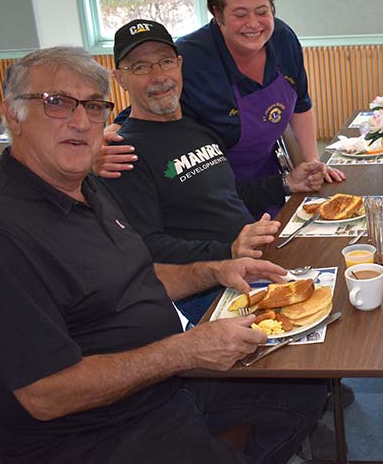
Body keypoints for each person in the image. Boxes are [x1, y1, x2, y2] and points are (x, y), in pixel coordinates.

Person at [0, 46, 327, 463]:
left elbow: (136, 273)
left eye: (93, 106)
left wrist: (216, 270)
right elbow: (46, 394)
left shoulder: (83, 187)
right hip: (93, 432)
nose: (80, 121)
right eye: (57, 103)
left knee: (306, 384)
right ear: (12, 113)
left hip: (161, 382)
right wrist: (186, 349)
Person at [104, 19, 324, 324]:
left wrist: (286, 182)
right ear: (120, 79)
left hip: (253, 260)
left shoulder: (198, 128)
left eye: (166, 62)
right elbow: (147, 245)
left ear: (180, 65)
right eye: (140, 67)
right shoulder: (122, 154)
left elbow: (231, 193)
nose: (159, 77)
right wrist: (228, 249)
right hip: (209, 285)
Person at [100, 0, 345, 198]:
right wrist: (112, 132)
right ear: (217, 13)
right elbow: (151, 100)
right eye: (240, 14)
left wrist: (313, 163)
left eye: (263, 12)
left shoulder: (282, 38)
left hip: (271, 179)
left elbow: (300, 103)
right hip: (214, 188)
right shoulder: (191, 57)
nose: (253, 24)